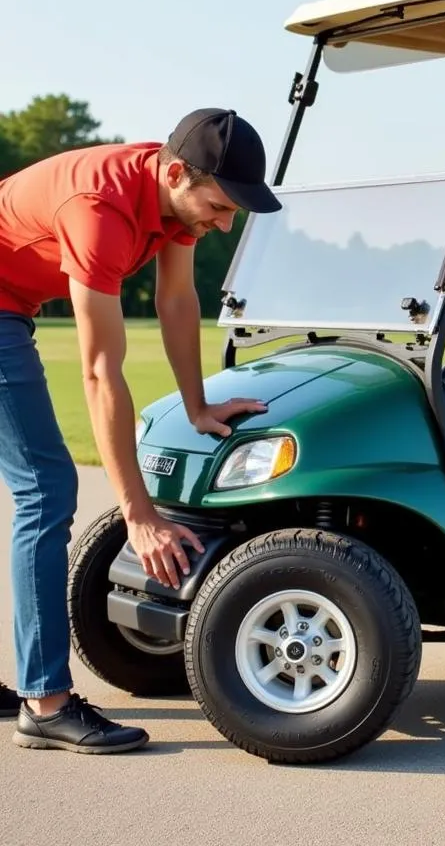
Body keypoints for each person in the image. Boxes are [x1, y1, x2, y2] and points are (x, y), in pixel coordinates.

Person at [0, 107, 281, 753]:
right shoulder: (99, 209)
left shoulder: (173, 196)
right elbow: (100, 373)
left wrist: (197, 406)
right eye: (219, 204)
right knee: (45, 489)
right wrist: (138, 513)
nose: (225, 221)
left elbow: (177, 301)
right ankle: (45, 704)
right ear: (178, 172)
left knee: (31, 489)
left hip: (12, 298)